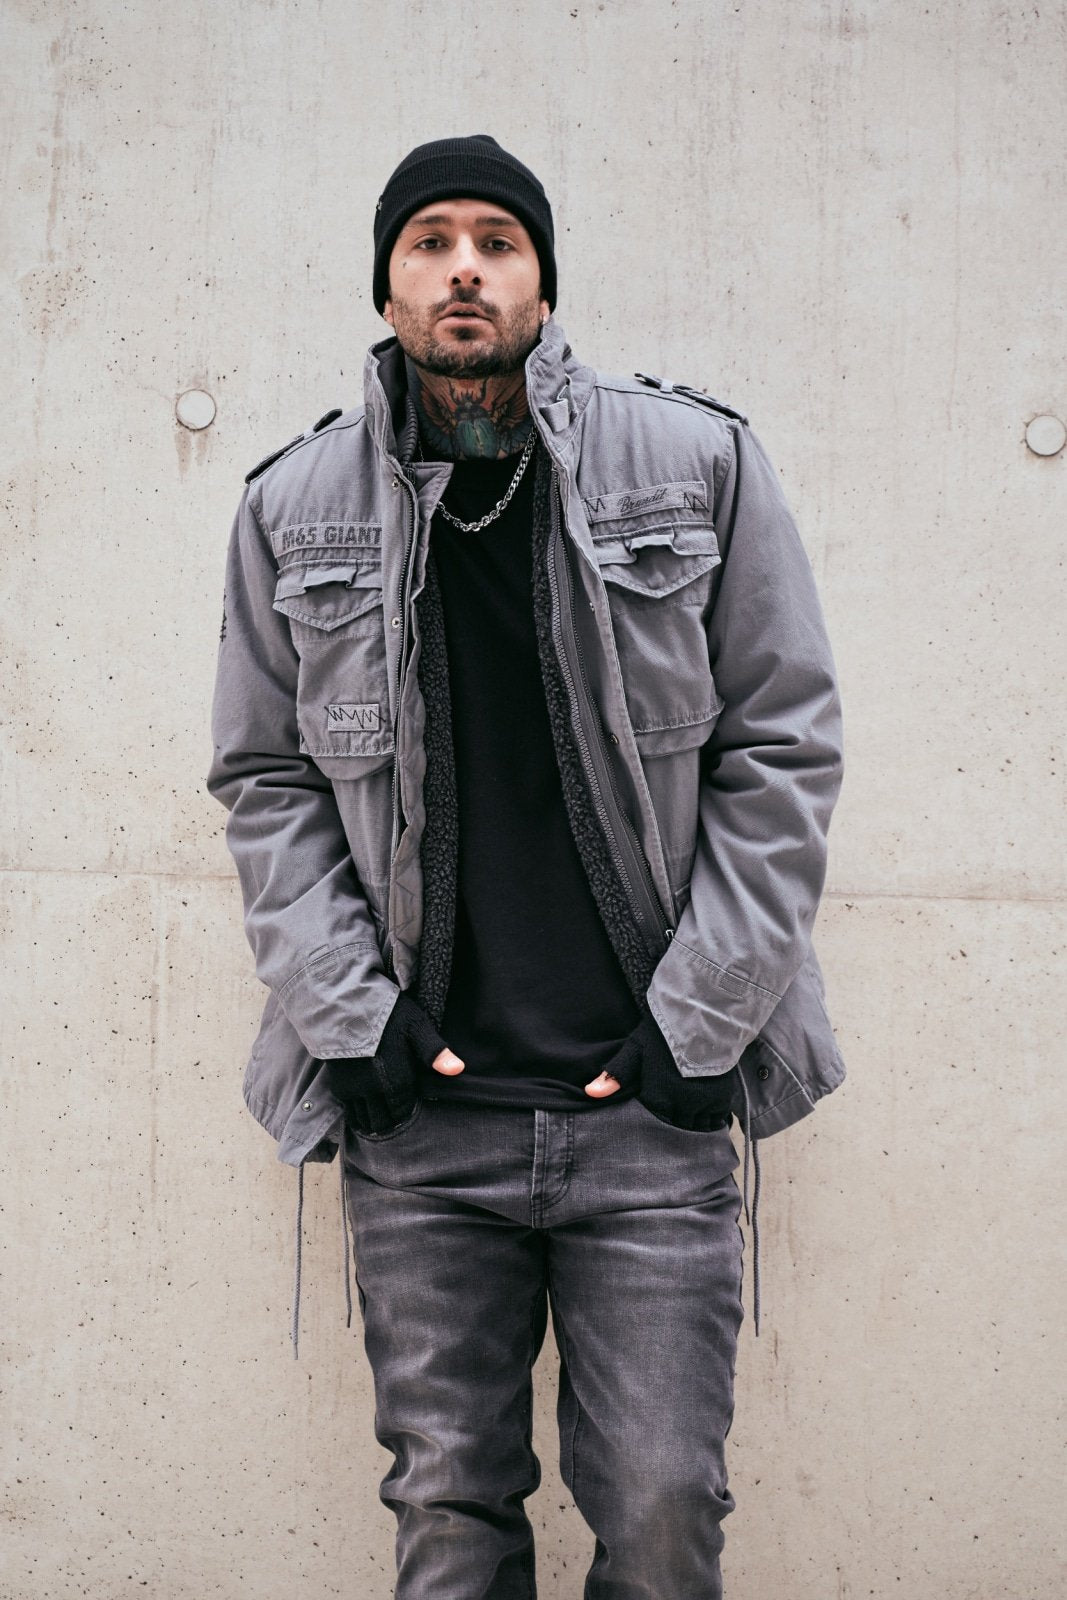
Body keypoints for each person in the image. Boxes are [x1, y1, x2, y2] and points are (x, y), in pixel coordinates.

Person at [206, 133, 846, 1599]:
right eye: (429, 242)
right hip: (426, 1132)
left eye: (497, 242)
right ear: (386, 287)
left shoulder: (695, 463)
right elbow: (265, 779)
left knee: (667, 1513)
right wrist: (350, 1018)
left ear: (542, 287)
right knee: (448, 1519)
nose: (464, 270)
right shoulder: (291, 505)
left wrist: (700, 1028)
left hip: (650, 1117)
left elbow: (784, 749)